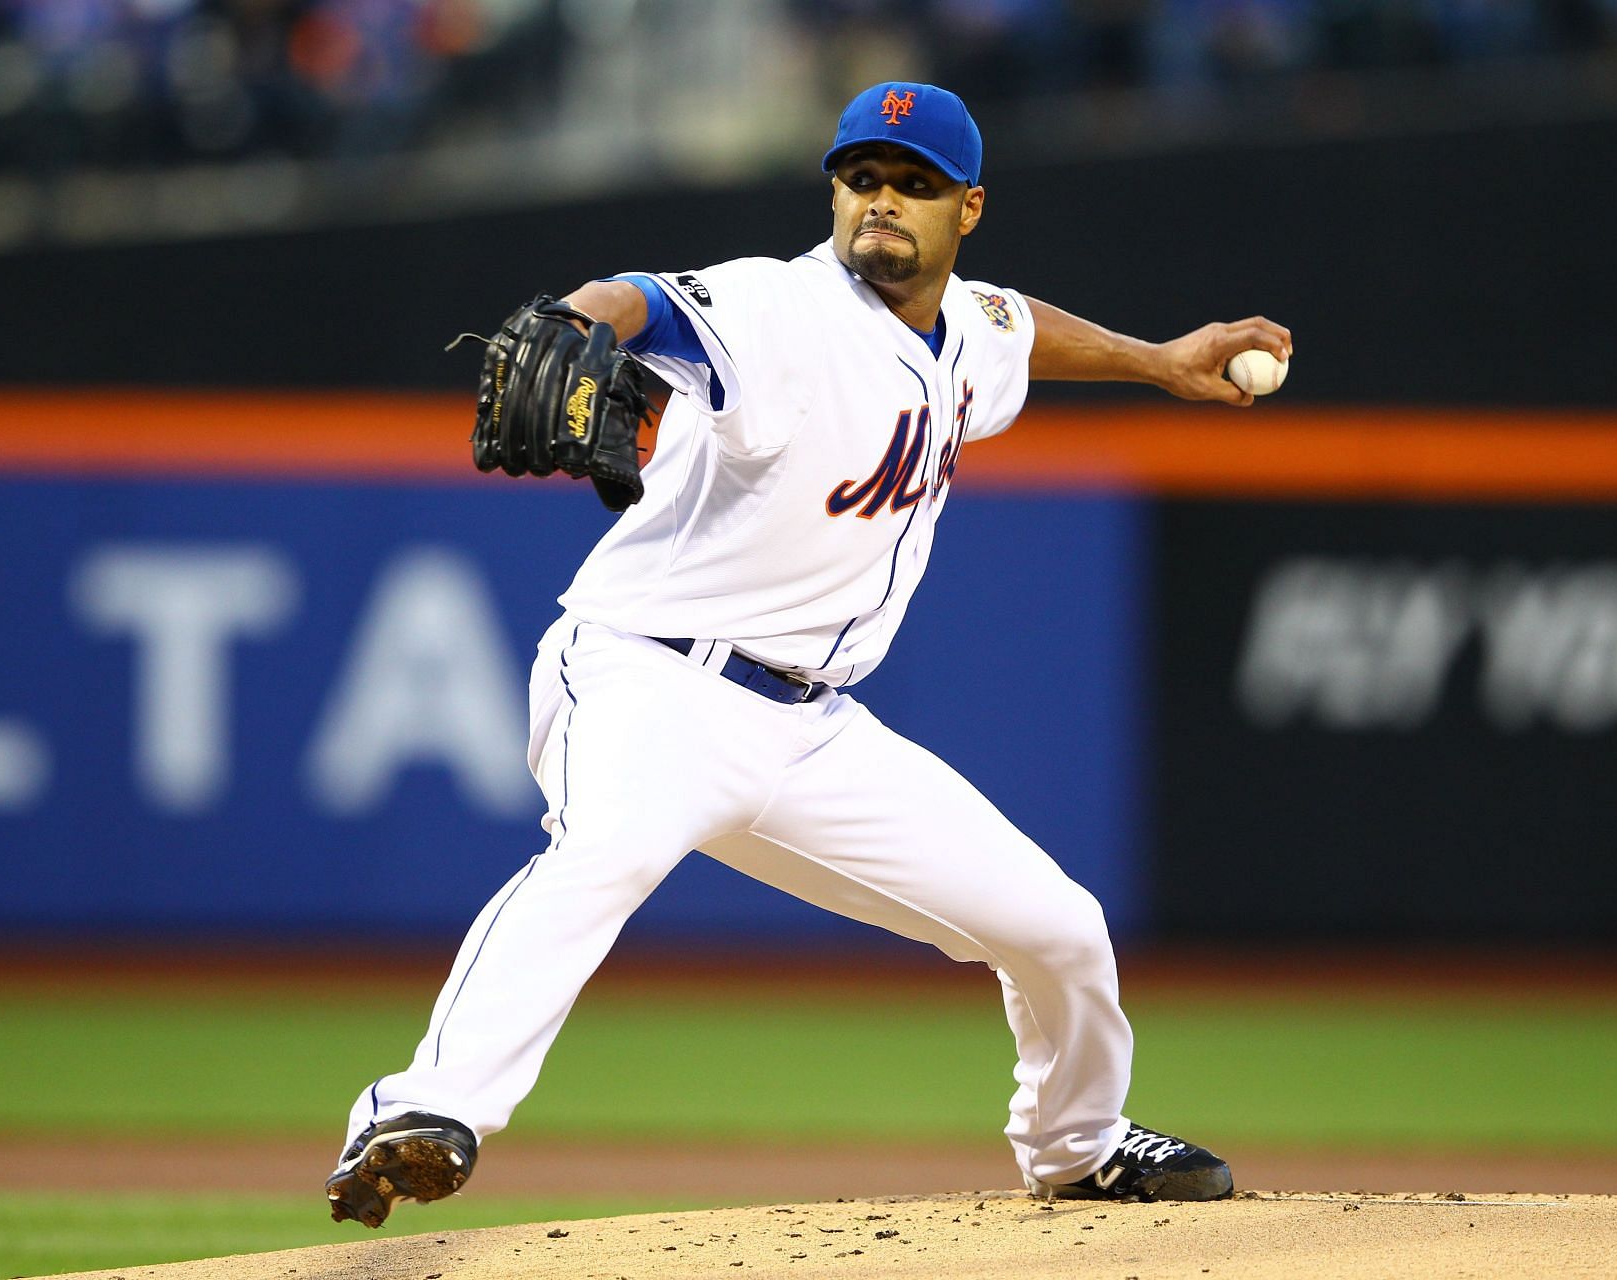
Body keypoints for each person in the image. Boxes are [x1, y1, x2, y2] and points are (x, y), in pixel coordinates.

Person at [325, 80, 1293, 1229]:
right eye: (861, 176)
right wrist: (578, 317)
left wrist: (1162, 359)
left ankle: (1076, 1146)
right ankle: (420, 1108)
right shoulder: (784, 308)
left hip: (813, 726)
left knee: (1060, 926)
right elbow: (642, 301)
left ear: (967, 208)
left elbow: (1015, 325)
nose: (881, 199)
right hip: (650, 675)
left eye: (914, 183)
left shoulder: (965, 333)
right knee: (603, 856)